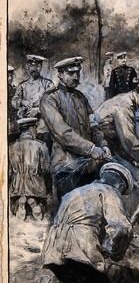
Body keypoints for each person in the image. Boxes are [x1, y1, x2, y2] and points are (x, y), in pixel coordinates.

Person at [23, 163, 134, 283]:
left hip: (53, 249)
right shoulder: (110, 192)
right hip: (80, 248)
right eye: (122, 190)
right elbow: (121, 228)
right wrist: (112, 252)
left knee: (74, 277)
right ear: (120, 184)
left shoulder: (74, 192)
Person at [39, 57, 111, 201]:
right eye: (71, 73)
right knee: (70, 211)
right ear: (59, 75)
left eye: (78, 73)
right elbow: (62, 133)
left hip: (88, 167)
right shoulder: (50, 98)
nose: (76, 77)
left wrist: (103, 144)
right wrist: (91, 149)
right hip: (66, 167)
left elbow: (93, 124)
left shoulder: (81, 97)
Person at [95, 76, 139, 175]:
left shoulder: (126, 98)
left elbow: (118, 138)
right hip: (96, 144)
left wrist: (131, 158)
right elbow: (128, 140)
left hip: (103, 143)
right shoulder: (125, 106)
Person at [9, 117, 51, 221]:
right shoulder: (40, 146)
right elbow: (46, 169)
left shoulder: (11, 147)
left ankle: (21, 202)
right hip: (36, 188)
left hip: (16, 189)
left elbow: (9, 172)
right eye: (35, 128)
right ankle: (34, 203)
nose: (36, 131)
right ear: (31, 129)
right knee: (43, 210)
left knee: (14, 211)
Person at [12, 54, 55, 148]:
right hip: (26, 129)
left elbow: (53, 104)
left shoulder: (48, 84)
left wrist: (38, 110)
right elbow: (14, 101)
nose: (34, 68)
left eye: (37, 66)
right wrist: (22, 102)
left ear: (41, 67)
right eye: (31, 66)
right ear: (27, 67)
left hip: (44, 128)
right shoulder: (22, 86)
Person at [8, 64, 20, 143]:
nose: (9, 78)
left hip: (14, 125)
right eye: (7, 76)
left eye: (11, 76)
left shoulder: (15, 89)